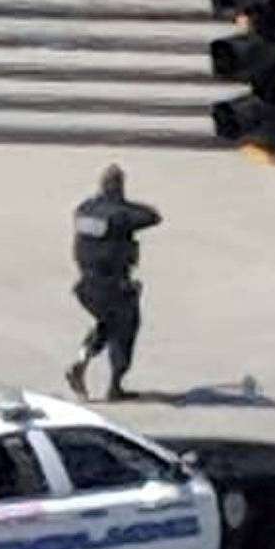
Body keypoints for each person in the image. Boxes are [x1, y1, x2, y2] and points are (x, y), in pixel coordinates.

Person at [65, 165, 162, 402]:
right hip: (113, 286)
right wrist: (123, 203)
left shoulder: (85, 209)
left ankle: (81, 359)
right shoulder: (121, 215)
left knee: (108, 323)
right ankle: (115, 386)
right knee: (125, 329)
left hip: (86, 286)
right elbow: (152, 216)